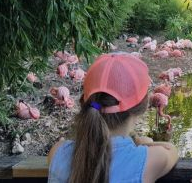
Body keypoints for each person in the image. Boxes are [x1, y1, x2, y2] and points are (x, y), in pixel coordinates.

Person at [48, 53, 179, 183]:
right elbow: (171, 150)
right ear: (142, 108)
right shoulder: (147, 160)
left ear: (85, 103)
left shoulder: (58, 152)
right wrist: (142, 142)